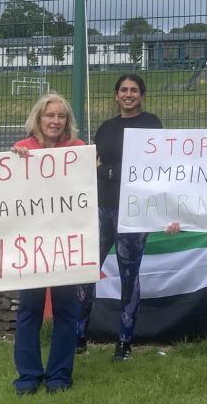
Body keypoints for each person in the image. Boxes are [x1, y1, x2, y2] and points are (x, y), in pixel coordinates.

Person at [77, 74, 163, 361]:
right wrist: (107, 170)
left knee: (129, 276)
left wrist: (110, 170)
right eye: (123, 90)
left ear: (142, 95)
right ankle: (78, 336)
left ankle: (124, 342)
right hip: (102, 209)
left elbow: (153, 165)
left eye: (134, 90)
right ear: (116, 95)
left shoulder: (151, 124)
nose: (128, 94)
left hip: (134, 213)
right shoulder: (105, 128)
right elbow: (92, 166)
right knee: (87, 271)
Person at [11, 93, 86, 395]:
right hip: (32, 245)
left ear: (68, 121)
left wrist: (90, 166)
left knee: (67, 311)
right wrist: (14, 162)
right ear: (38, 118)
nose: (55, 121)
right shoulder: (22, 150)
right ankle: (28, 375)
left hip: (66, 245)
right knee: (29, 309)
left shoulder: (78, 150)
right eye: (49, 115)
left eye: (61, 116)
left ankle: (59, 376)